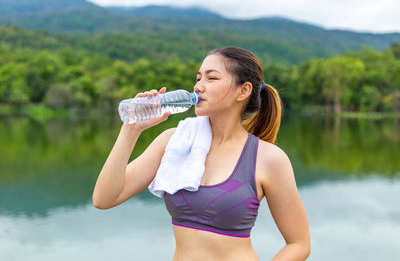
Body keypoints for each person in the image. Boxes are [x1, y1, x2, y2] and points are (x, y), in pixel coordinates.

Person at [92, 46, 311, 260]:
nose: (198, 87)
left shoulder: (268, 158)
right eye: (198, 78)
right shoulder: (174, 142)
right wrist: (131, 129)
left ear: (243, 91)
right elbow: (104, 199)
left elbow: (299, 244)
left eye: (211, 78)